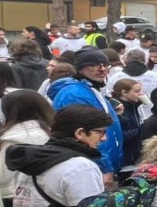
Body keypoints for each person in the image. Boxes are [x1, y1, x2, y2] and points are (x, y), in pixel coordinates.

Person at [49, 46, 123, 182]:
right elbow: (89, 135)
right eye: (94, 65)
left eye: (105, 65)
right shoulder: (75, 95)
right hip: (94, 167)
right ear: (81, 68)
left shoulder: (91, 89)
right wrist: (105, 167)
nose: (102, 69)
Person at [0, 89, 54, 207]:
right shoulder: (51, 132)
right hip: (47, 195)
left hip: (13, 197)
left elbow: (1, 176)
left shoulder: (11, 139)